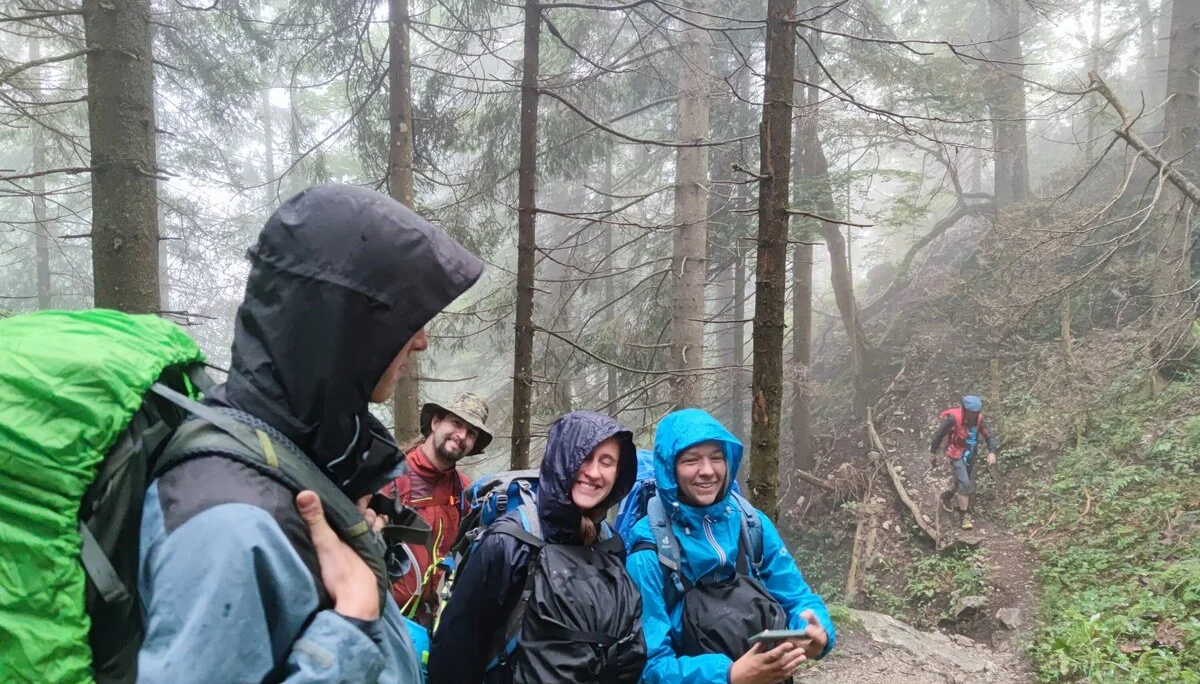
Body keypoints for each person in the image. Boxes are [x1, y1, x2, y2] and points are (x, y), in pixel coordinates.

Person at [137, 184, 483, 682]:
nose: (423, 341)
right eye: (409, 318)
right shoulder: (227, 525)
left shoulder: (297, 465)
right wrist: (351, 624)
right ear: (348, 322)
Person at [427, 411, 648, 684]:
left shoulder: (610, 544)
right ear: (562, 459)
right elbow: (456, 649)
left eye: (607, 462)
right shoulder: (508, 542)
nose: (594, 473)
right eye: (585, 457)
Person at [626, 408, 836, 684]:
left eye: (717, 458)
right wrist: (729, 675)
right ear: (670, 469)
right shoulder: (649, 549)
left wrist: (817, 631)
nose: (707, 471)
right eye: (691, 460)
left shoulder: (750, 523)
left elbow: (796, 597)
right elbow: (649, 665)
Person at [380, 392, 492, 625]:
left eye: (471, 432)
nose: (461, 435)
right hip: (387, 618)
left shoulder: (465, 491)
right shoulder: (392, 477)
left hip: (435, 621)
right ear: (435, 422)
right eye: (456, 423)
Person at [929, 394, 998, 530]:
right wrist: (933, 452)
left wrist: (991, 451)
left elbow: (989, 435)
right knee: (966, 484)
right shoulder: (954, 419)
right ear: (965, 410)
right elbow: (939, 434)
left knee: (962, 481)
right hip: (955, 452)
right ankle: (965, 516)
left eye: (975, 413)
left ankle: (947, 496)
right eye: (970, 413)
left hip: (971, 452)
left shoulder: (979, 419)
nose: (972, 416)